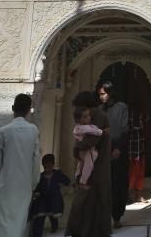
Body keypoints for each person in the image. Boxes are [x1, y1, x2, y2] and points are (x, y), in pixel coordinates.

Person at [0, 94, 41, 237]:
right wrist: (33, 185)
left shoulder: (3, 131)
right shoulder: (33, 131)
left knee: (0, 228)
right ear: (29, 110)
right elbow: (36, 161)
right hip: (23, 188)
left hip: (4, 187)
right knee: (18, 226)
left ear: (12, 108)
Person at [65, 91, 112, 237]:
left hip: (95, 167)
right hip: (93, 165)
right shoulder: (93, 116)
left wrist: (77, 148)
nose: (82, 115)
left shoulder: (97, 117)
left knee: (91, 202)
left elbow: (90, 141)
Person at [98, 81, 130, 229]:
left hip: (118, 154)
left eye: (103, 94)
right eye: (100, 94)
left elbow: (124, 129)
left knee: (119, 185)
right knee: (104, 186)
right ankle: (104, 217)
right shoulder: (99, 110)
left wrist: (119, 148)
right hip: (103, 154)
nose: (101, 97)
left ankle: (117, 217)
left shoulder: (121, 107)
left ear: (110, 93)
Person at [29, 154, 70, 237]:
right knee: (39, 216)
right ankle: (37, 234)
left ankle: (54, 226)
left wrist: (65, 187)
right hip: (42, 200)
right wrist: (36, 193)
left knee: (53, 216)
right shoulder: (40, 176)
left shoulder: (57, 173)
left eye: (49, 164)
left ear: (53, 164)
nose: (47, 166)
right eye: (45, 164)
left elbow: (67, 181)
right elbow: (37, 187)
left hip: (54, 200)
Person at [72, 106, 104, 186]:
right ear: (78, 120)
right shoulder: (81, 128)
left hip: (83, 150)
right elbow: (94, 131)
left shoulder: (82, 127)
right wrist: (101, 132)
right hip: (86, 151)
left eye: (89, 116)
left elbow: (92, 128)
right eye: (85, 117)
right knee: (88, 165)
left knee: (81, 165)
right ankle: (83, 181)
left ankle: (77, 177)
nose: (88, 118)